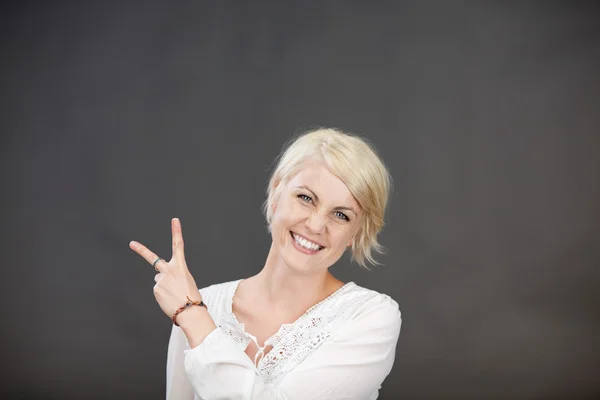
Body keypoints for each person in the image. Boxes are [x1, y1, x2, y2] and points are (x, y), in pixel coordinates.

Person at [129, 127, 402, 399]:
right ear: (276, 194)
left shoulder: (371, 317)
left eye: (341, 215)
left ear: (357, 233)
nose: (316, 225)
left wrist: (192, 314)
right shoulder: (203, 302)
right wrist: (193, 311)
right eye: (305, 198)